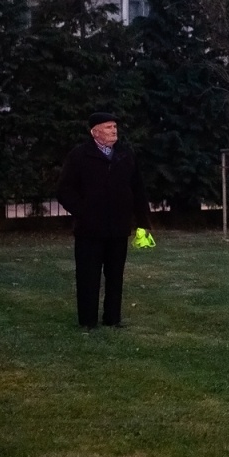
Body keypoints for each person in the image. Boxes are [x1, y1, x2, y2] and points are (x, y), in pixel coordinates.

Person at [56, 112, 152, 329]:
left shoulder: (126, 155)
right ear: (95, 132)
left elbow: (138, 190)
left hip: (118, 227)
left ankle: (112, 318)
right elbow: (64, 189)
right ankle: (88, 321)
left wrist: (143, 223)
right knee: (88, 277)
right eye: (108, 127)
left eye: (115, 126)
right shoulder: (79, 155)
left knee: (115, 275)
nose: (114, 130)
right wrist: (83, 211)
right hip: (89, 229)